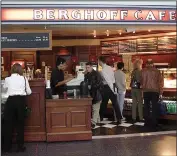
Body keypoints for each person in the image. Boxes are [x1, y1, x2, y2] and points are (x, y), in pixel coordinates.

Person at [3, 63, 32, 153]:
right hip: (20, 101)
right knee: (20, 125)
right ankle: (20, 146)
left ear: (12, 70)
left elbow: (4, 89)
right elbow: (29, 92)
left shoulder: (7, 79)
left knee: (8, 125)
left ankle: (7, 147)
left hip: (10, 101)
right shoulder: (24, 78)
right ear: (20, 70)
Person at [98, 56, 122, 124]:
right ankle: (119, 118)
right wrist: (114, 90)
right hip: (112, 86)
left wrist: (112, 90)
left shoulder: (103, 70)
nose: (98, 62)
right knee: (115, 103)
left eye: (98, 61)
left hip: (108, 87)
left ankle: (100, 117)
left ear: (101, 61)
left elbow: (108, 81)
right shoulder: (110, 68)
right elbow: (113, 79)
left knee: (104, 103)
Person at [141, 59, 164, 129]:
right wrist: (161, 92)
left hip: (145, 91)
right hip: (155, 91)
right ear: (153, 64)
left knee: (146, 107)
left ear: (146, 64)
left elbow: (141, 82)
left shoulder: (143, 71)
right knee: (154, 107)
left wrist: (142, 90)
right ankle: (154, 123)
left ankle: (147, 122)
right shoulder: (157, 71)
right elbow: (160, 83)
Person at [84, 62, 103, 129]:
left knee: (95, 108)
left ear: (92, 67)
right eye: (86, 67)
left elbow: (100, 84)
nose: (87, 69)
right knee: (95, 109)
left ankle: (94, 123)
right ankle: (98, 120)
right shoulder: (87, 74)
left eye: (88, 67)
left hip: (97, 94)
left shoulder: (97, 74)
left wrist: (91, 86)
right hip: (91, 94)